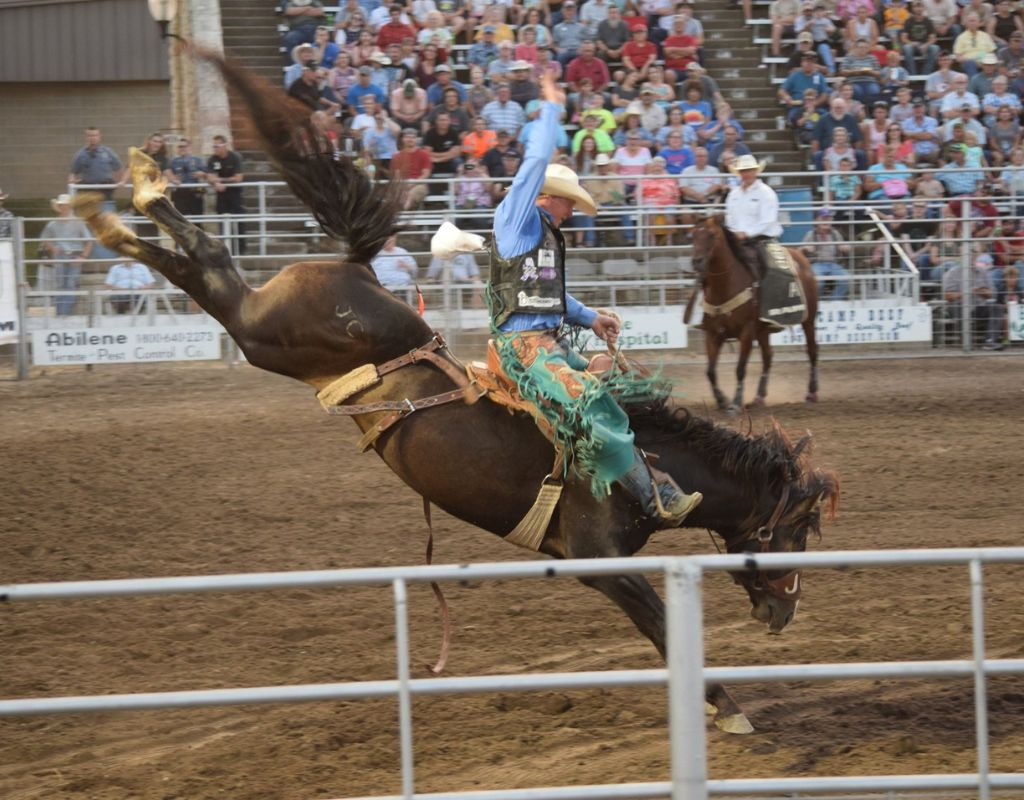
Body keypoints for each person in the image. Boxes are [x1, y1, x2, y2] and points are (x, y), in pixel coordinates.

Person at [486, 72, 701, 525]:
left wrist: (590, 318)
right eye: (569, 203)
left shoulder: (539, 235)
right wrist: (550, 106)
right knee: (591, 402)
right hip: (524, 351)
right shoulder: (517, 219)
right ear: (549, 198)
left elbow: (546, 292)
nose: (571, 211)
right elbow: (534, 160)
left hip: (548, 342)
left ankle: (603, 477)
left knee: (614, 377)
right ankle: (652, 497)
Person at [724, 154, 783, 279]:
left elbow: (768, 220)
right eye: (743, 171)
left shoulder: (766, 193)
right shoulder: (733, 194)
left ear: (756, 171)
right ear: (739, 173)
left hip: (762, 241)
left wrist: (746, 233)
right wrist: (734, 233)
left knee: (771, 273)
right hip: (738, 241)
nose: (746, 174)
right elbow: (729, 218)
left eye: (749, 170)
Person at [40, 193, 93, 316]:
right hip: (61, 256)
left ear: (70, 206)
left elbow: (89, 241)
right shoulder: (53, 223)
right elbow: (44, 239)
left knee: (70, 284)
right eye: (62, 205)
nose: (64, 208)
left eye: (66, 205)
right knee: (60, 284)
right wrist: (53, 249)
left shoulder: (78, 222)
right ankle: (61, 314)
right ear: (59, 207)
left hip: (75, 255)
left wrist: (83, 257)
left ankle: (64, 314)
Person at [206, 135, 247, 256]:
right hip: (221, 196)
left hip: (235, 195)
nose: (215, 149)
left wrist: (221, 181)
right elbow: (210, 177)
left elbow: (238, 178)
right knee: (222, 223)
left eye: (217, 146)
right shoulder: (212, 159)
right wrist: (216, 182)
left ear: (225, 145)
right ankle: (226, 251)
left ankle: (241, 251)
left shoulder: (235, 157)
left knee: (238, 222)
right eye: (214, 146)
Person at [801, 210, 850, 299]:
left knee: (845, 279)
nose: (826, 221)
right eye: (823, 218)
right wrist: (806, 248)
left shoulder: (835, 233)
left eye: (828, 219)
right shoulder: (811, 234)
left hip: (833, 264)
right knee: (818, 281)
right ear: (817, 221)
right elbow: (799, 250)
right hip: (816, 264)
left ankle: (834, 301)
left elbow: (842, 245)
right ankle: (818, 301)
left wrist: (844, 247)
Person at [68, 127, 124, 202]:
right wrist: (72, 180)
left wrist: (120, 182)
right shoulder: (80, 155)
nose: (92, 138)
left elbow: (119, 168)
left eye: (95, 135)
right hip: (88, 191)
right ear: (86, 137)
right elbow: (73, 172)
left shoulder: (108, 152)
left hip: (105, 190)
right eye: (90, 135)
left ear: (99, 137)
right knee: (89, 213)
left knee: (107, 212)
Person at [167, 138, 207, 217]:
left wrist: (202, 174)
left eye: (184, 146)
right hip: (180, 193)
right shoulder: (173, 161)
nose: (182, 149)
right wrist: (173, 178)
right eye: (180, 147)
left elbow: (208, 174)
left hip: (195, 193)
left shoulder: (198, 160)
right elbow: (167, 176)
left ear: (189, 147)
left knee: (197, 220)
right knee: (182, 220)